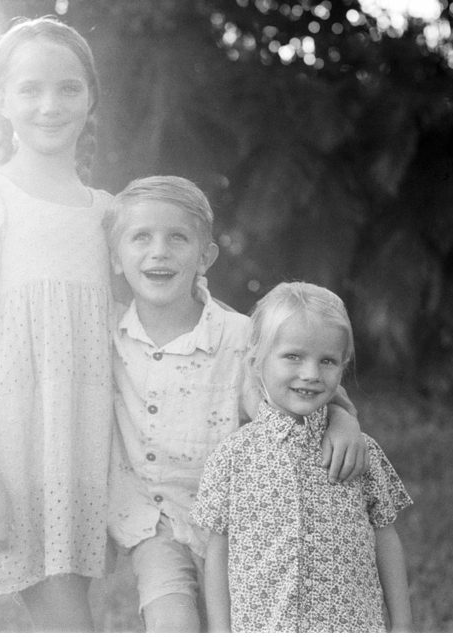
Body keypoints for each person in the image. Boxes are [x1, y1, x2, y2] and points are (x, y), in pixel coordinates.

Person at [102, 177, 369, 632]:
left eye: (178, 238)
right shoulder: (108, 334)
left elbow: (309, 389)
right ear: (115, 256)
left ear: (205, 256)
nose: (159, 252)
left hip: (242, 524)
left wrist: (344, 421)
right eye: (141, 237)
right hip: (155, 523)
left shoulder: (240, 336)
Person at [0, 16, 113, 631]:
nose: (49, 105)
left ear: (91, 99)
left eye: (68, 88)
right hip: (14, 457)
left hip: (89, 452)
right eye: (30, 88)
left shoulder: (113, 215)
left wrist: (343, 410)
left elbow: (198, 327)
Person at [191, 281, 413, 632]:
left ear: (343, 366)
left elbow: (385, 537)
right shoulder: (232, 457)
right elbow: (217, 551)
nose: (310, 374)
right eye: (293, 356)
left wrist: (402, 625)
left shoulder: (362, 450)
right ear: (257, 360)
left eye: (327, 361)